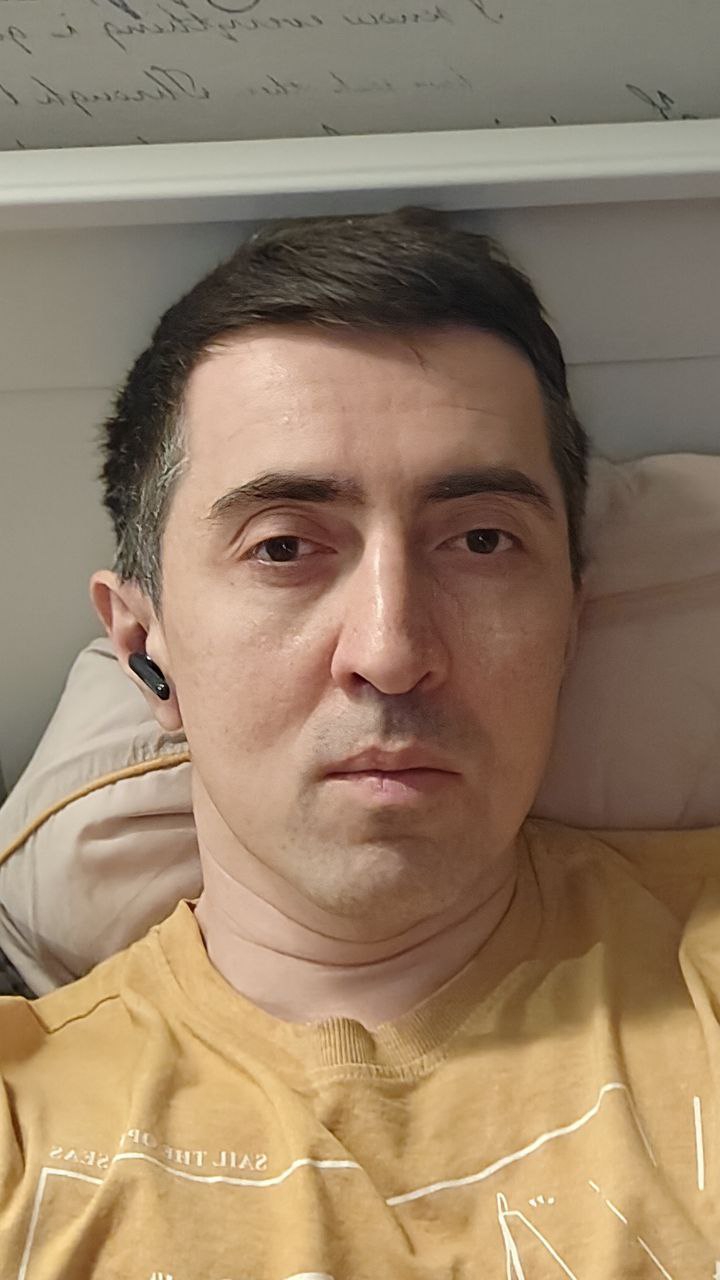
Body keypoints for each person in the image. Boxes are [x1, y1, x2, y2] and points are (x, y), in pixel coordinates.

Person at [1, 206, 718, 1279]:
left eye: (482, 540)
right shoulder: (25, 1126)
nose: (390, 651)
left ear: (571, 623)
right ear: (146, 647)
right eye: (284, 547)